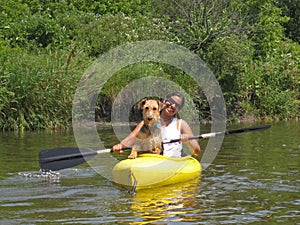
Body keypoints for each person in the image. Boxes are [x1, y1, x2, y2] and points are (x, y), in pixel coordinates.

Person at [112, 92, 200, 157]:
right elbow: (130, 139)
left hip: (172, 162)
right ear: (165, 101)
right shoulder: (145, 123)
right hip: (151, 159)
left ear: (178, 109)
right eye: (171, 101)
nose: (172, 105)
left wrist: (188, 140)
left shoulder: (181, 124)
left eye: (177, 105)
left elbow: (197, 151)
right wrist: (120, 146)